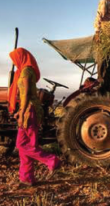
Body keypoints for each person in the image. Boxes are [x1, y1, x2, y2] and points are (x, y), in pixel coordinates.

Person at [8, 48, 61, 186]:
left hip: (29, 111)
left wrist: (21, 112)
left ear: (21, 57)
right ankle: (27, 177)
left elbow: (25, 94)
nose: (14, 62)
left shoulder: (26, 71)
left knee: (22, 145)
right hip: (30, 110)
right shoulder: (27, 70)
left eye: (15, 59)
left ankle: (51, 160)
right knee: (25, 145)